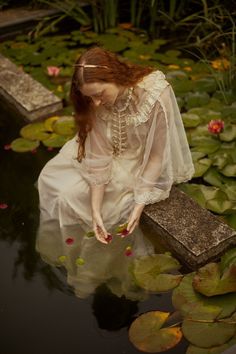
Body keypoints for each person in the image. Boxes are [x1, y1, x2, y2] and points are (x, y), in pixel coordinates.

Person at [36, 46, 194, 299]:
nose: (96, 103)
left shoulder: (155, 93)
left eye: (99, 94)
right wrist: (95, 206)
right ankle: (83, 261)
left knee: (115, 211)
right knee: (60, 190)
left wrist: (139, 204)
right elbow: (98, 155)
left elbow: (155, 156)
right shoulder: (94, 102)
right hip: (110, 156)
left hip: (140, 162)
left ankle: (104, 269)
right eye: (91, 98)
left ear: (114, 76)